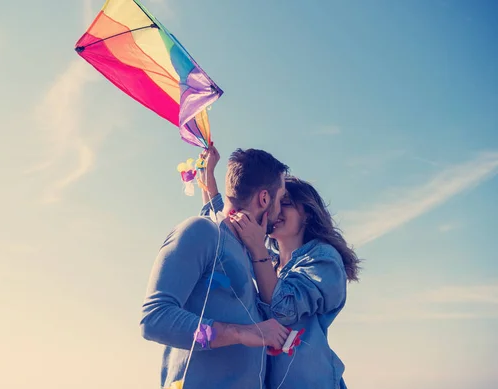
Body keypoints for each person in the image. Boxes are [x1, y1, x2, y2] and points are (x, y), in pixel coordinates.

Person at [199, 145, 362, 389]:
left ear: (306, 213)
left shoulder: (324, 258)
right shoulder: (268, 261)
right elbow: (224, 230)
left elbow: (283, 309)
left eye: (285, 203)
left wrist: (257, 250)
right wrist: (209, 179)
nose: (275, 209)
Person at [140, 148, 292, 389]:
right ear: (264, 198)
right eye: (281, 198)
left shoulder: (250, 251)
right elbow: (154, 318)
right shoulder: (201, 231)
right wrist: (242, 333)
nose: (281, 209)